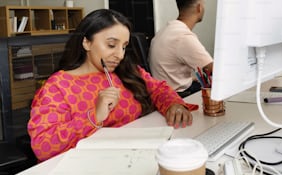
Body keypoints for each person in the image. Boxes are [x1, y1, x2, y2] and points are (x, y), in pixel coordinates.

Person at [27, 9, 198, 162]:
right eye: (111, 45)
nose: (119, 55)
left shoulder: (126, 71)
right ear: (87, 43)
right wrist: (94, 116)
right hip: (88, 167)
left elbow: (159, 89)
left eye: (124, 47)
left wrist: (173, 104)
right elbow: (43, 146)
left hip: (133, 157)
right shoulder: (58, 86)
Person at [148, 0, 213, 98]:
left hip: (165, 90)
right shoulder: (183, 37)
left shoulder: (167, 29)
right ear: (199, 8)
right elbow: (212, 69)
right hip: (178, 96)